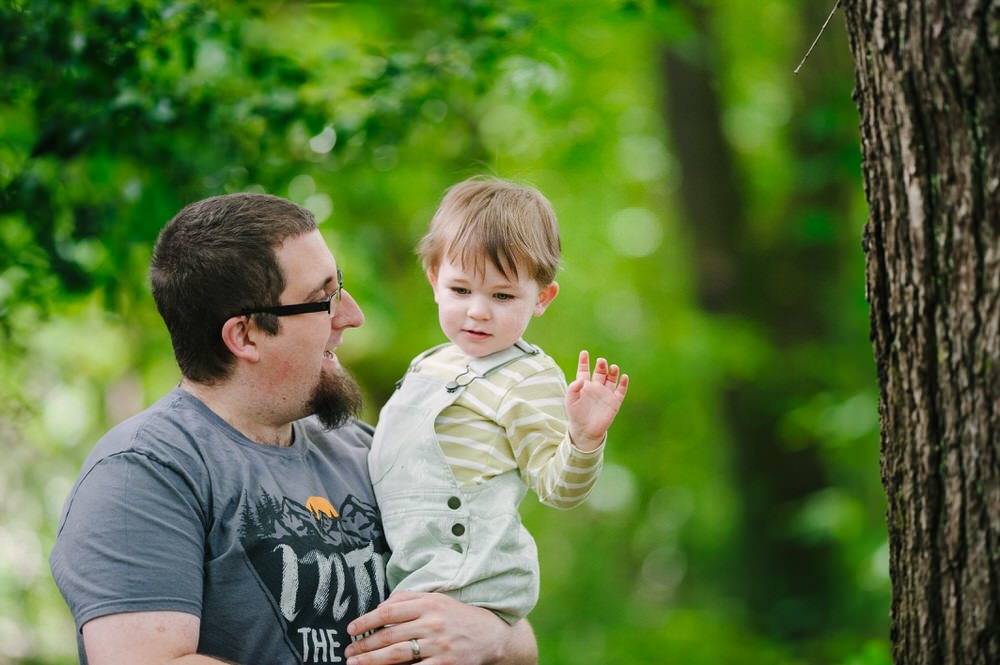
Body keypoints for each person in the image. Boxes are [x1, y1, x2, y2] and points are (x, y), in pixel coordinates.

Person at [49, 192, 538, 665]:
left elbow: (508, 629)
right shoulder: (144, 473)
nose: (352, 316)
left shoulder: (367, 451)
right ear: (245, 335)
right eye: (322, 299)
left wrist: (490, 636)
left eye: (338, 286)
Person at [370, 177, 629, 624]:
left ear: (542, 298)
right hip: (408, 574)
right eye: (460, 290)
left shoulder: (527, 377)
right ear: (434, 281)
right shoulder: (427, 364)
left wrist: (584, 438)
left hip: (469, 583)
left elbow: (558, 489)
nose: (478, 310)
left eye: (502, 295)